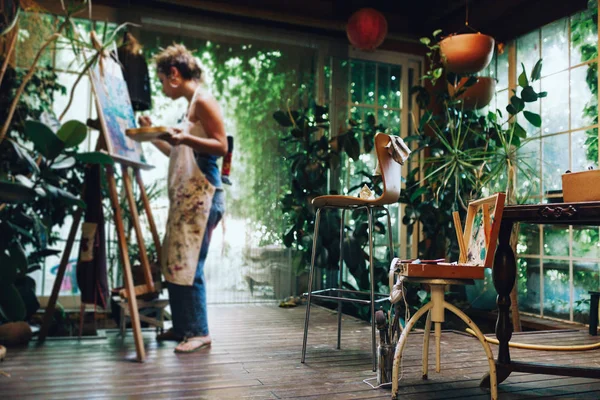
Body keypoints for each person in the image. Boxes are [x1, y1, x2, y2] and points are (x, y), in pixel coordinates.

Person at [138, 44, 227, 353]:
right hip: (189, 198)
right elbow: (178, 151)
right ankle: (182, 327)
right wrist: (156, 135)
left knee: (191, 264)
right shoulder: (189, 106)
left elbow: (221, 146)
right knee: (176, 261)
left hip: (204, 196)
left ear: (174, 74)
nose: (162, 87)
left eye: (162, 80)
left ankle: (200, 332)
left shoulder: (203, 100)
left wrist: (184, 137)